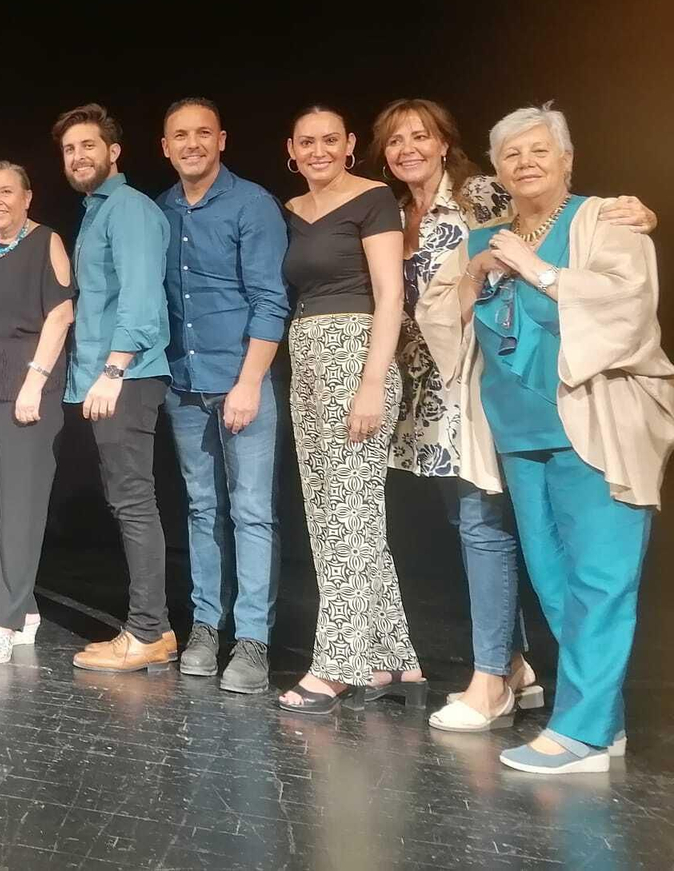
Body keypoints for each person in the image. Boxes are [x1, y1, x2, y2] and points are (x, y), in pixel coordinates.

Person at [372, 99, 657, 731]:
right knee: (550, 574)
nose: (525, 164)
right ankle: (580, 711)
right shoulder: (419, 221)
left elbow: (624, 298)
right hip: (492, 420)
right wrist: (475, 272)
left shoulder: (559, 213)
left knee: (588, 576)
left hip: (583, 420)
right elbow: (441, 310)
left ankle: (565, 717)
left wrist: (545, 267)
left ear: (567, 159)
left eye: (539, 151)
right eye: (512, 155)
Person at [277, 104, 419, 713]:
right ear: (291, 148)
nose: (318, 151)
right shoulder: (290, 212)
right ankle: (390, 657)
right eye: (307, 142)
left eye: (329, 140)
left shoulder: (373, 199)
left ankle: (336, 665)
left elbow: (391, 295)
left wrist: (371, 382)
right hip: (306, 358)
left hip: (357, 354)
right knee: (331, 511)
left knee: (350, 515)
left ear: (350, 144)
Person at [156, 98, 289, 693]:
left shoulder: (252, 204)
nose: (191, 144)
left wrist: (249, 383)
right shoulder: (161, 209)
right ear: (165, 146)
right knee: (202, 509)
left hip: (242, 384)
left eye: (202, 134)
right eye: (179, 136)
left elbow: (270, 301)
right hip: (183, 386)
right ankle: (207, 625)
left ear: (222, 140)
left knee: (252, 511)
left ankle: (253, 640)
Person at [51, 104, 175, 673]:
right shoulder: (97, 212)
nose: (79, 157)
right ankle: (151, 627)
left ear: (113, 152)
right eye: (70, 149)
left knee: (133, 502)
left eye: (88, 146)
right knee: (126, 500)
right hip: (107, 378)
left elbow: (143, 298)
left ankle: (150, 631)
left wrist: (115, 369)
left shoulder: (128, 210)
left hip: (126, 378)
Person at [0, 161, 74, 663]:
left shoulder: (46, 240)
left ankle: (3, 621)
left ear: (28, 197)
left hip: (28, 387)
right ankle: (23, 608)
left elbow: (62, 312)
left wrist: (36, 381)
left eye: (7, 191)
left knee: (22, 507)